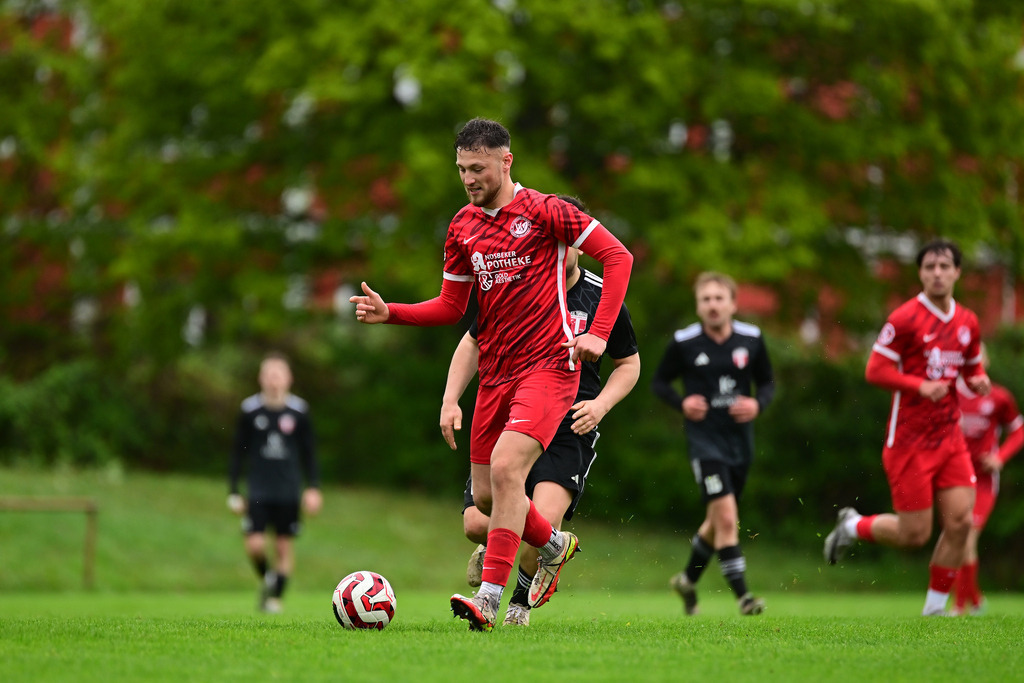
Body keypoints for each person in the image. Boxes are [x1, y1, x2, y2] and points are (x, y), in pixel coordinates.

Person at [349, 118, 633, 631]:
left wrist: (598, 332)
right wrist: (392, 312)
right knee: (484, 501)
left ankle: (489, 600)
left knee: (507, 473)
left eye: (477, 168)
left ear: (506, 161)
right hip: (496, 376)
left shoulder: (548, 212)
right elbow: (450, 306)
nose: (468, 178)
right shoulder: (462, 225)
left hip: (549, 368)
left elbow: (619, 256)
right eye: (461, 169)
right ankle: (552, 543)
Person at [442, 195, 641, 627]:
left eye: (564, 242)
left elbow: (630, 363)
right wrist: (451, 397)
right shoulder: (518, 283)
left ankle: (513, 604)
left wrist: (602, 404)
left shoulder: (601, 295)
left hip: (569, 424)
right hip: (517, 413)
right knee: (479, 520)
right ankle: (544, 544)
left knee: (536, 518)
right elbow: (472, 340)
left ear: (578, 242)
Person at [824, 239, 991, 616]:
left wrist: (977, 378)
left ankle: (933, 611)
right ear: (920, 272)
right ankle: (853, 526)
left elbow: (971, 366)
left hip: (950, 436)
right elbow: (874, 370)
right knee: (914, 534)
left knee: (962, 522)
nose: (937, 273)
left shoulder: (968, 321)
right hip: (909, 441)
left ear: (957, 272)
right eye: (929, 266)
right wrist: (919, 385)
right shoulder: (904, 318)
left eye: (944, 266)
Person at [651, 272, 774, 616]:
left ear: (733, 304)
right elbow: (659, 383)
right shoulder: (684, 341)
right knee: (726, 516)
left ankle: (687, 581)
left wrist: (757, 404)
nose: (713, 305)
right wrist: (682, 403)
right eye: (706, 299)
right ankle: (744, 597)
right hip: (704, 442)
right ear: (698, 306)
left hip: (740, 441)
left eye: (719, 298)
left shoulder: (751, 338)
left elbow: (767, 382)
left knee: (717, 518)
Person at [228, 352, 322, 613]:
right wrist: (234, 491)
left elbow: (309, 453)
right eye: (269, 374)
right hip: (258, 487)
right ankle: (269, 579)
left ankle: (274, 599)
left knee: (283, 546)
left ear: (288, 378)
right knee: (255, 544)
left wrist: (313, 487)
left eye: (278, 374)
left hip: (288, 488)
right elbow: (238, 453)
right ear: (261, 378)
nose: (274, 380)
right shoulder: (249, 411)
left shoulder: (300, 412)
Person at [952, 344, 1023, 615]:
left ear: (986, 362)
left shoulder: (999, 397)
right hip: (956, 478)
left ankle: (960, 609)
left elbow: (1018, 430)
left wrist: (1000, 457)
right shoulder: (949, 395)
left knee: (967, 537)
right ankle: (977, 601)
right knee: (958, 538)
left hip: (983, 481)